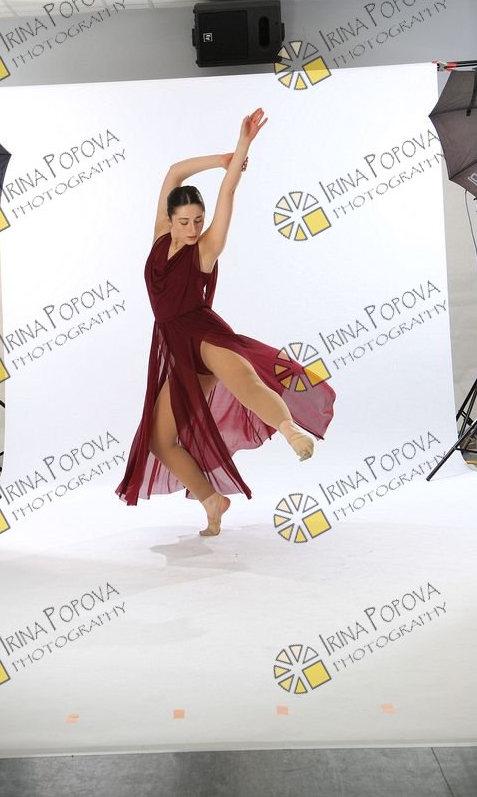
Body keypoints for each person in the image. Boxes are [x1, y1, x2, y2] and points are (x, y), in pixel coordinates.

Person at [116, 108, 335, 536]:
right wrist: (218, 159)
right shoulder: (160, 237)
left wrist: (241, 147)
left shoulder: (205, 250)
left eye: (198, 220)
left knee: (247, 383)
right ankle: (212, 500)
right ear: (170, 219)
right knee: (159, 441)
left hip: (204, 336)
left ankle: (291, 431)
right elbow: (174, 172)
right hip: (175, 349)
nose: (193, 228)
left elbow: (228, 193)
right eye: (185, 221)